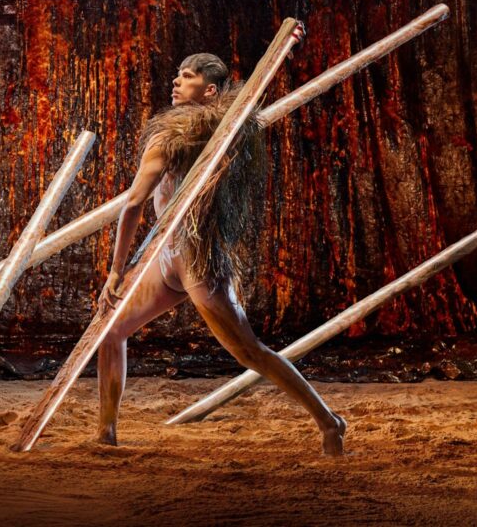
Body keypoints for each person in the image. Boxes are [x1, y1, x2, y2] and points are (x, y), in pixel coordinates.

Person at [96, 50, 347, 455]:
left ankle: (329, 422)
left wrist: (115, 271)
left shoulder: (219, 138)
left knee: (249, 352)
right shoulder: (171, 135)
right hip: (166, 256)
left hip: (199, 259)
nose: (176, 82)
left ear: (210, 90)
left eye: (188, 76)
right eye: (177, 74)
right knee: (110, 332)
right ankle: (106, 433)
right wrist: (118, 271)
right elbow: (135, 205)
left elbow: (133, 206)